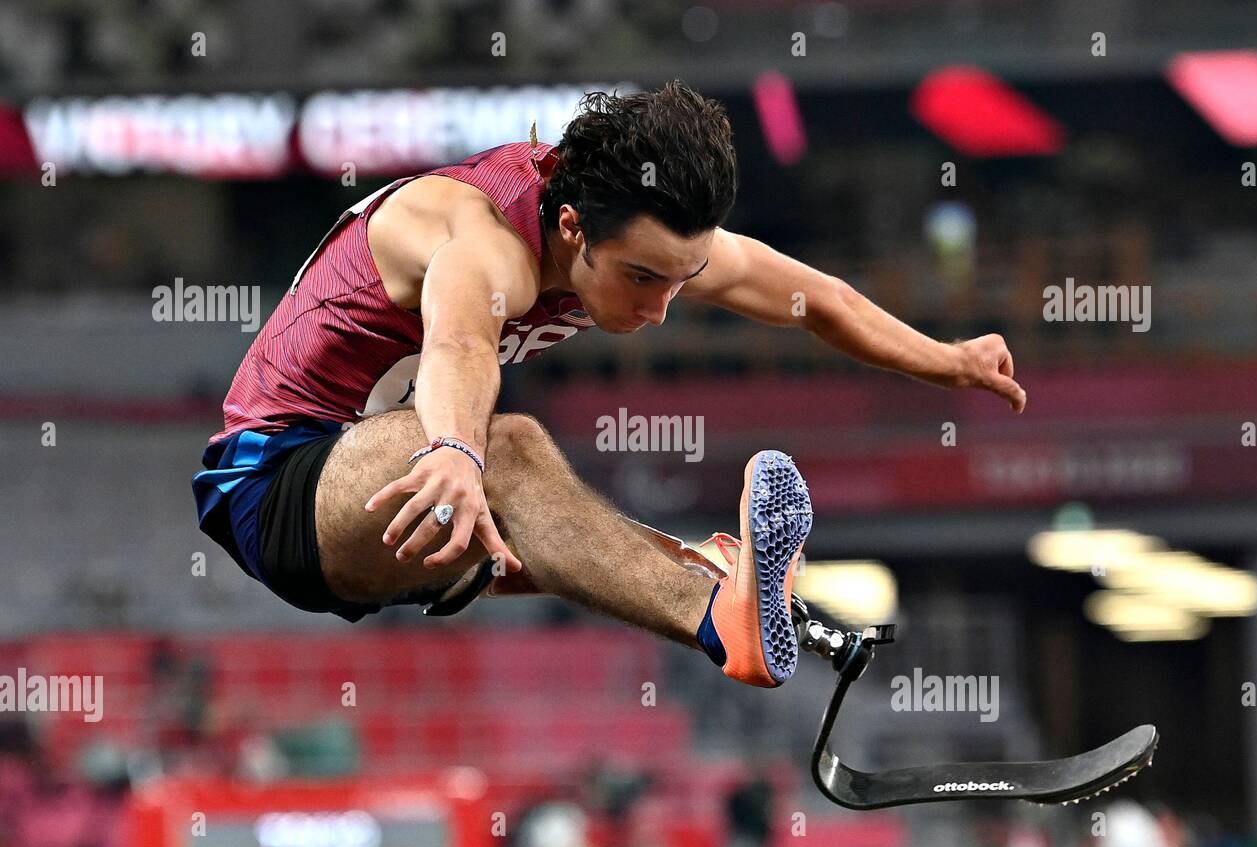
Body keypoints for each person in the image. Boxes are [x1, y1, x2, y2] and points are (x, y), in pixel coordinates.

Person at [193, 80, 1025, 689]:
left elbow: (819, 302)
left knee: (538, 516)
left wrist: (946, 360)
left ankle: (708, 579)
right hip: (275, 484)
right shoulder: (482, 239)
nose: (660, 308)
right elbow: (459, 343)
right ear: (570, 228)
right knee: (508, 448)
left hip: (396, 498)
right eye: (641, 279)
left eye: (682, 278)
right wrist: (452, 447)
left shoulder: (641, 230)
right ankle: (716, 611)